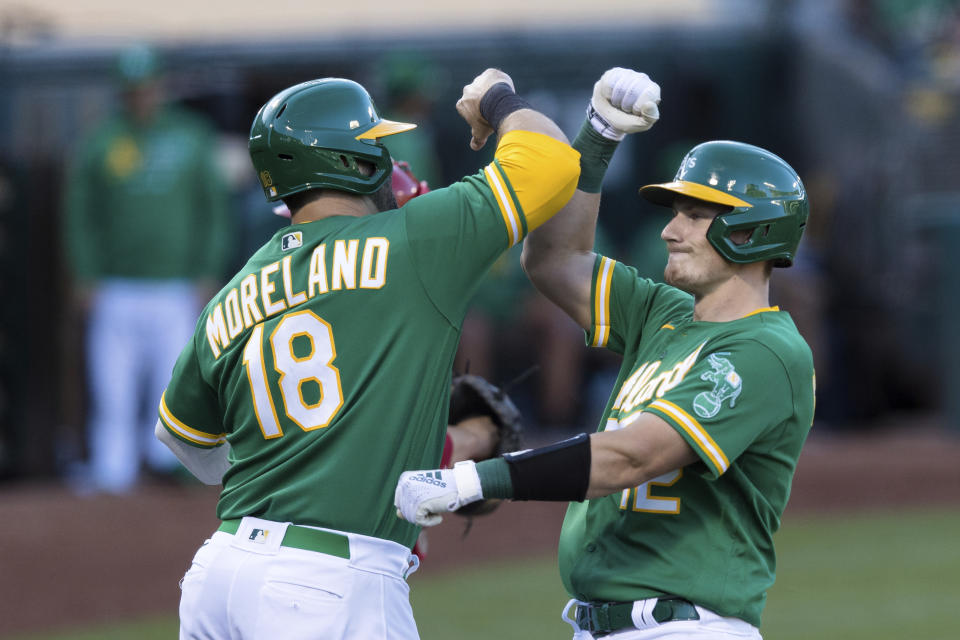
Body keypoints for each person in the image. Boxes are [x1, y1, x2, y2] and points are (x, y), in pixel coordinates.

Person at [154, 70, 579, 638]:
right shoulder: (413, 241)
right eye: (373, 141)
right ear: (350, 161)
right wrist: (498, 96)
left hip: (219, 574)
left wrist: (313, 459)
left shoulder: (232, 293)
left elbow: (185, 440)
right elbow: (553, 160)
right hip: (327, 586)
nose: (384, 151)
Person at [395, 67, 815, 639]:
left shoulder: (768, 350)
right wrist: (597, 138)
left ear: (753, 230)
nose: (671, 230)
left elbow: (634, 457)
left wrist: (472, 479)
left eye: (696, 214)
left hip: (684, 628)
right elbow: (554, 260)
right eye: (675, 211)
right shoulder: (661, 312)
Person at [62, 44, 230, 493]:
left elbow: (213, 208)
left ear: (161, 87)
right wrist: (86, 272)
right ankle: (112, 472)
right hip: (116, 285)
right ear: (124, 93)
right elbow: (80, 214)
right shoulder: (100, 140)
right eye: (134, 90)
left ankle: (171, 467)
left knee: (173, 384)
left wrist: (207, 268)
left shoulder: (192, 136)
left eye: (149, 88)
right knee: (112, 385)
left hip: (176, 284)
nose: (142, 97)